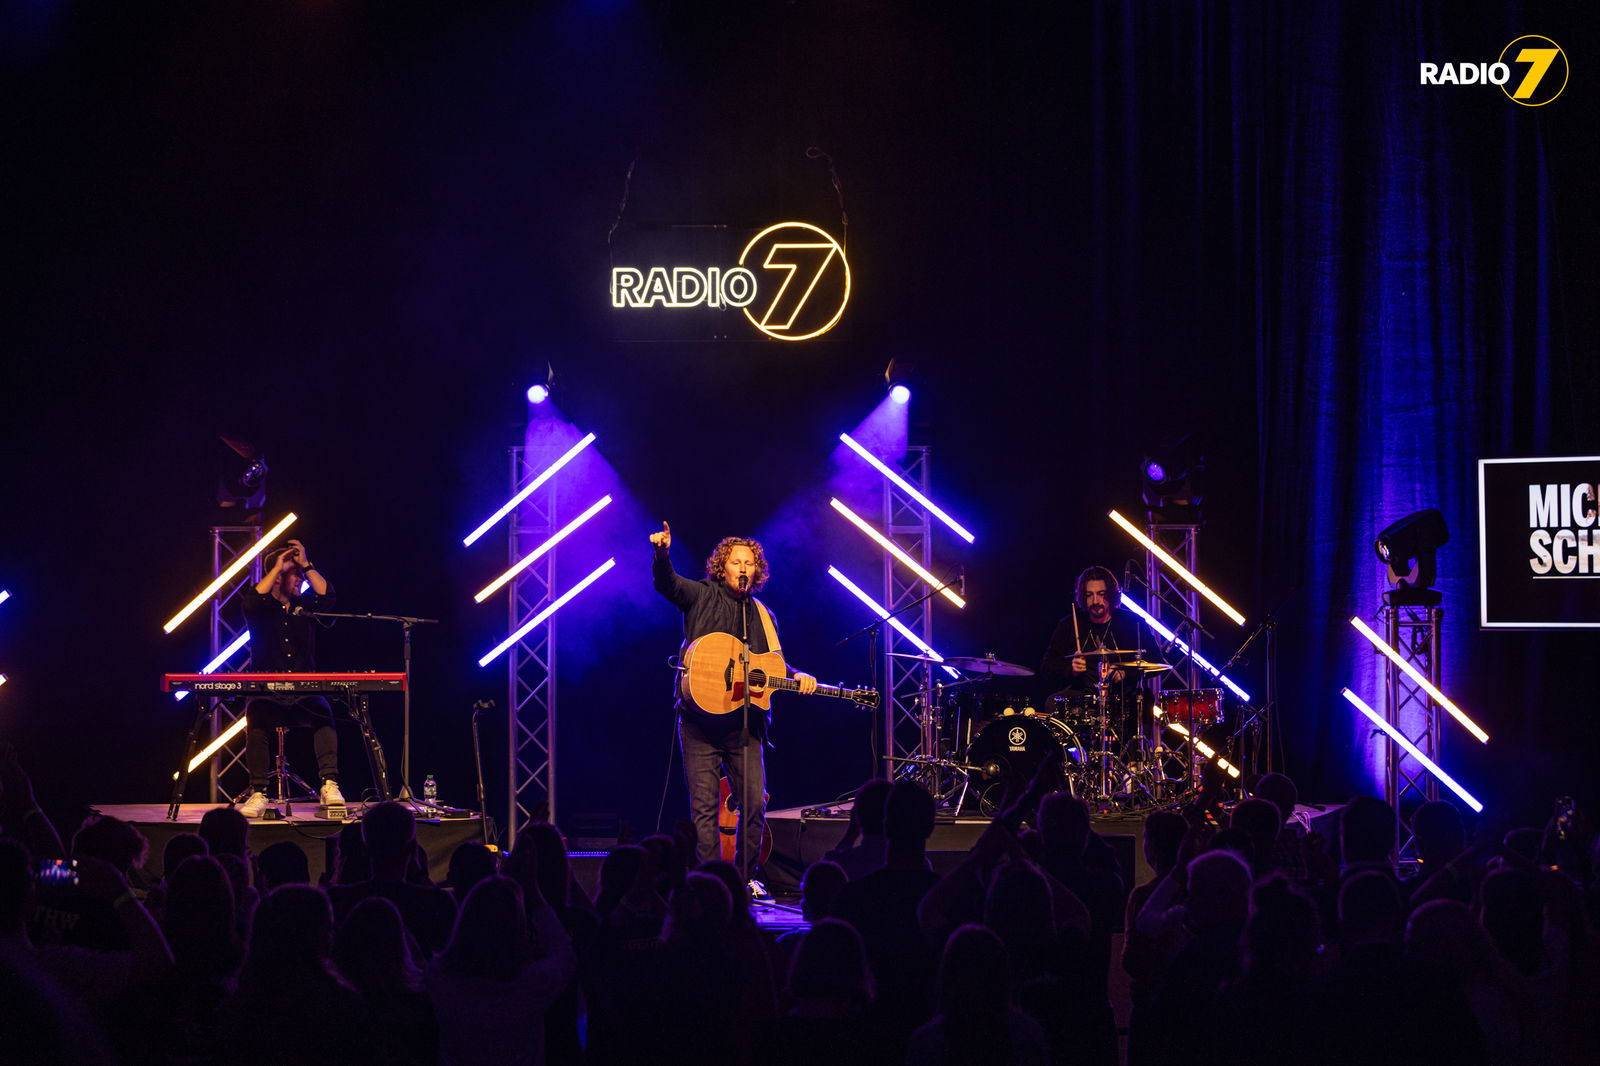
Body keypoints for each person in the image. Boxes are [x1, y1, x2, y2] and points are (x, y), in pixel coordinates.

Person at [650, 521, 816, 899]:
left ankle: (743, 878)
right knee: (704, 811)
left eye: (750, 563)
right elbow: (668, 584)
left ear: (756, 572)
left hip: (745, 726)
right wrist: (661, 555)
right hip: (698, 722)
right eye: (736, 561)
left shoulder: (761, 614)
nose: (743, 568)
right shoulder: (701, 595)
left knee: (754, 804)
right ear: (722, 566)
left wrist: (798, 676)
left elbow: (773, 664)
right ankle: (709, 883)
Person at [234, 539, 341, 818]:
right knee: (256, 718)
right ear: (279, 576)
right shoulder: (261, 608)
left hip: (304, 692)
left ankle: (330, 784)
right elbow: (251, 600)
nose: (301, 581)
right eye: (295, 575)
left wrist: (305, 564)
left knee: (323, 712)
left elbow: (328, 596)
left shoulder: (304, 606)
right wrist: (279, 566)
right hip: (267, 693)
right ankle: (259, 792)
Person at [1039, 565, 1154, 756]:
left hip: (1121, 696)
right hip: (1083, 695)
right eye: (1089, 595)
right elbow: (1047, 667)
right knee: (1052, 702)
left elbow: (1157, 662)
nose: (1095, 601)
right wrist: (1071, 669)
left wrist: (1125, 673)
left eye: (1101, 594)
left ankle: (1135, 765)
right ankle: (1075, 760)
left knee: (1145, 699)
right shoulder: (1069, 624)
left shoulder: (1132, 623)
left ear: (1111, 595)